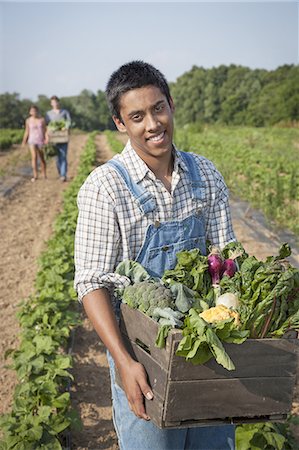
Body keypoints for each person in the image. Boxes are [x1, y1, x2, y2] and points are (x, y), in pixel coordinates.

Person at [74, 61, 236, 450]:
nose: (153, 124)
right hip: (142, 356)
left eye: (158, 108)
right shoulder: (105, 187)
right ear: (120, 123)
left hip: (207, 346)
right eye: (137, 116)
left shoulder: (206, 175)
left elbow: (227, 257)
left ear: (171, 105)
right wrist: (124, 363)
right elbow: (91, 283)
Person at [45, 95, 71, 182]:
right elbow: (47, 125)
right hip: (54, 138)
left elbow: (68, 122)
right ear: (51, 104)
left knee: (63, 156)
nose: (55, 103)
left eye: (56, 102)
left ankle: (63, 175)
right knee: (57, 158)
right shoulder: (48, 114)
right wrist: (47, 135)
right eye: (53, 102)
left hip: (63, 137)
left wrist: (66, 127)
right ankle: (61, 173)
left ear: (58, 102)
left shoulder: (64, 112)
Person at [22, 105, 47, 182]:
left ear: (37, 111)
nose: (33, 112)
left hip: (40, 140)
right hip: (31, 140)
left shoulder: (42, 120)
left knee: (42, 158)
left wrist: (46, 139)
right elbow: (27, 131)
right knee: (34, 157)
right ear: (30, 112)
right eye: (32, 111)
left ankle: (44, 174)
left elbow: (45, 130)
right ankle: (35, 175)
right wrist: (24, 141)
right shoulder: (28, 121)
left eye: (35, 111)